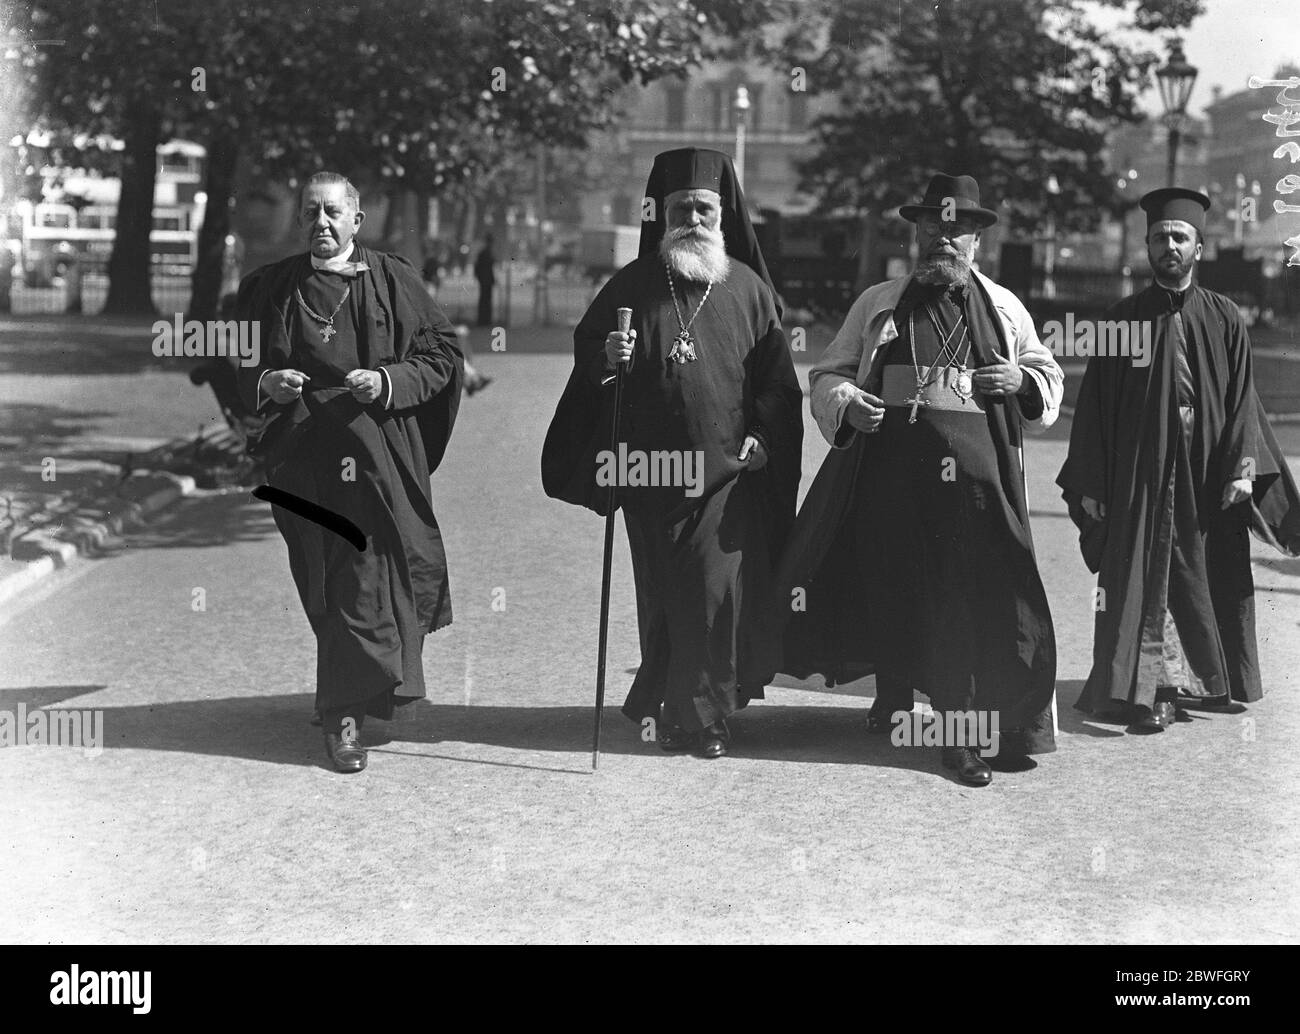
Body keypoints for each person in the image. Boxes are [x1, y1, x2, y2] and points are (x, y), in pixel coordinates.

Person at [775, 173, 1063, 786]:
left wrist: (1021, 383)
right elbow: (827, 372)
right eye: (933, 225)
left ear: (978, 238)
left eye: (956, 228)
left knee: (969, 601)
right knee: (891, 586)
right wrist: (849, 401)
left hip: (977, 493)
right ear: (917, 232)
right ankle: (896, 690)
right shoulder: (879, 301)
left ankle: (960, 736)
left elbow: (1046, 374)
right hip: (891, 483)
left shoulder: (1005, 307)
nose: (944, 237)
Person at [542, 147, 804, 758]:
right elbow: (590, 370)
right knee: (667, 595)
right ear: (661, 214)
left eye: (704, 208)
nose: (693, 218)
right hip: (649, 473)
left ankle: (703, 719)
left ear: (723, 214)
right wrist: (608, 361)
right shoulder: (630, 286)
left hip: (724, 473)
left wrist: (763, 439)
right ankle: (676, 703)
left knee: (712, 590)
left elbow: (777, 383)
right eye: (681, 207)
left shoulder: (750, 292)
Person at [235, 172, 464, 773]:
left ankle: (342, 718)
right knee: (324, 578)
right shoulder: (272, 287)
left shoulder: (394, 280)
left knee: (360, 577)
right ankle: (348, 692)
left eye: (333, 212)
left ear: (356, 220)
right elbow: (236, 358)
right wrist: (267, 382)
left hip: (375, 455)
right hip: (304, 462)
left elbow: (441, 356)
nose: (321, 224)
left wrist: (388, 381)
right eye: (311, 213)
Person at [1058, 187, 1300, 732]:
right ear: (1147, 245)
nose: (1170, 245)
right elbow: (1095, 409)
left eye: (1180, 237)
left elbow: (1243, 402)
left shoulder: (1224, 318)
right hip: (1142, 473)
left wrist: (1243, 468)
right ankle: (1151, 691)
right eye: (1161, 237)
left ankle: (1203, 681)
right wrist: (1094, 481)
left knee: (1200, 575)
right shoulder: (1122, 320)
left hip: (1207, 468)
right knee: (1146, 575)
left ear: (1198, 246)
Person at [423, 239, 491, 395]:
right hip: (428, 338)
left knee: (461, 337)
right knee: (454, 342)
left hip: (433, 334)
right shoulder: (428, 291)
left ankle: (471, 378)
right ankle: (471, 378)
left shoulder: (430, 289)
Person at [474, 234, 496, 327]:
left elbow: (477, 267)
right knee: (486, 300)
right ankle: (485, 320)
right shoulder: (486, 253)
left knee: (484, 300)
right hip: (486, 280)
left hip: (484, 279)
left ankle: (484, 320)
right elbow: (486, 268)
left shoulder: (484, 253)